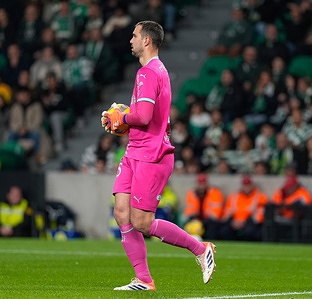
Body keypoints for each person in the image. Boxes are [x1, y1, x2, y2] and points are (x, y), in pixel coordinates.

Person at [102, 21, 216, 291]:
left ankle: (201, 248)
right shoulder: (150, 71)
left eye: (134, 35)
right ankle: (143, 279)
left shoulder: (149, 72)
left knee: (142, 222)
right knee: (121, 213)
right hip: (135, 151)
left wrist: (122, 117)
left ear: (146, 41)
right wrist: (127, 120)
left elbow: (142, 116)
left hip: (151, 154)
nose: (130, 39)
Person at [219, 175, 268, 241]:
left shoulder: (260, 196)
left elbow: (260, 214)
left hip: (250, 222)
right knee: (224, 232)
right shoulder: (234, 196)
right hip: (234, 221)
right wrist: (233, 221)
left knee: (250, 232)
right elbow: (227, 211)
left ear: (252, 185)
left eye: (248, 185)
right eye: (245, 185)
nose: (246, 187)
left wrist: (245, 222)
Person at [183, 173, 225, 240]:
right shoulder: (191, 193)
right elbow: (188, 211)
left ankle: (211, 243)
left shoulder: (214, 193)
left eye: (203, 183)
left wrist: (205, 220)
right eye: (200, 183)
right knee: (187, 225)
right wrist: (193, 217)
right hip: (196, 219)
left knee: (212, 226)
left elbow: (217, 213)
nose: (201, 186)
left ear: (207, 184)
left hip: (209, 220)